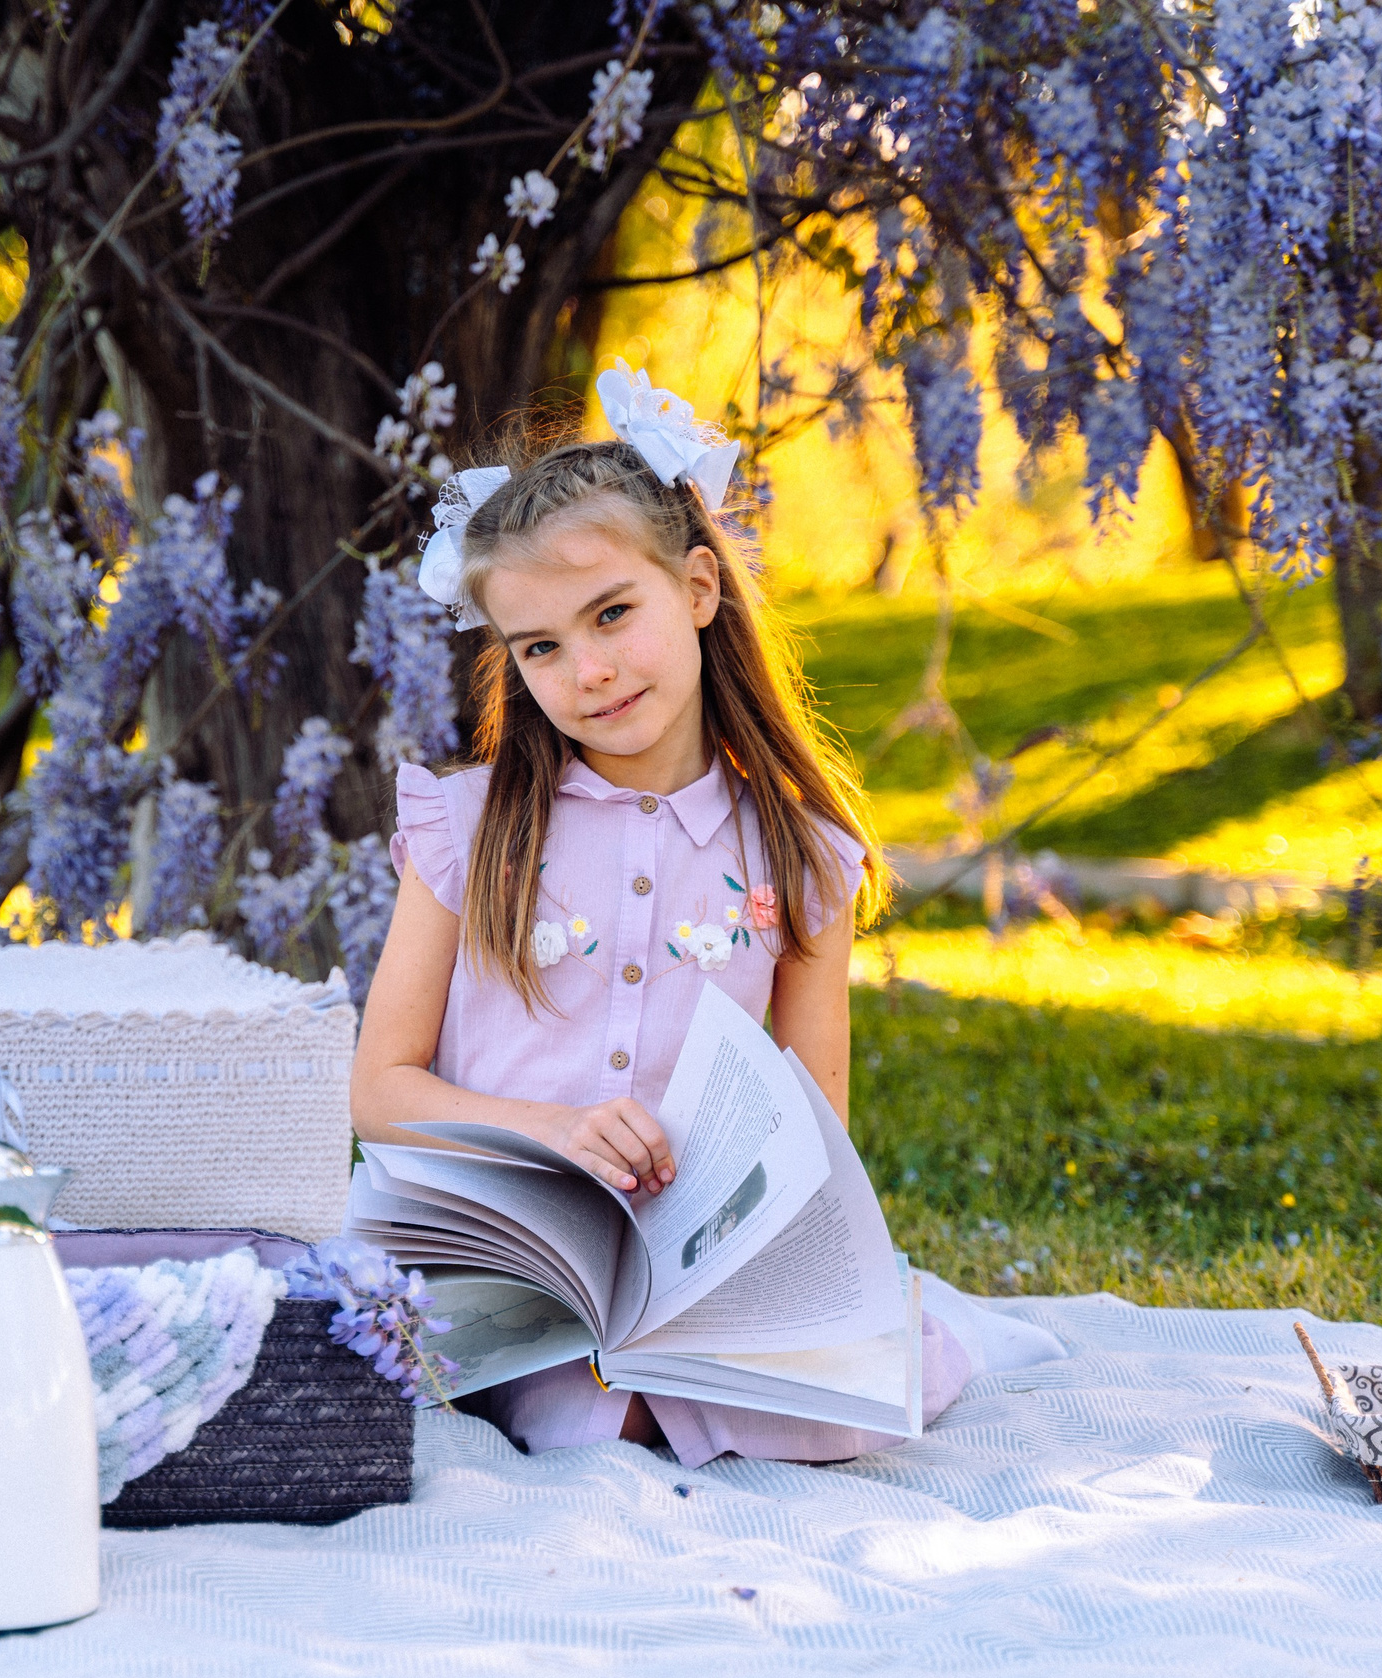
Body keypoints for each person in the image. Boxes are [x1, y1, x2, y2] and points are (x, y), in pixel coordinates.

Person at [351, 363, 1032, 1467]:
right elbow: (382, 1092)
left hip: (691, 1260)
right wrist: (557, 1134)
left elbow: (813, 1121)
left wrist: (729, 1238)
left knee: (850, 1390)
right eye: (541, 647)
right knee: (573, 1402)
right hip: (508, 1261)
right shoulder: (464, 831)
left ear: (700, 590)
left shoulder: (797, 852)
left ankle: (779, 1350)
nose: (590, 670)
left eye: (613, 613)